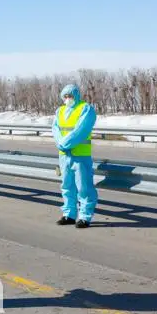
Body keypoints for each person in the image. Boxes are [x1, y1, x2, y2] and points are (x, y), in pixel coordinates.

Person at [52, 83, 98, 228]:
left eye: (70, 96)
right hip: (64, 155)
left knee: (84, 187)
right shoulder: (60, 111)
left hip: (80, 156)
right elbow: (55, 129)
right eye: (65, 96)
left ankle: (85, 216)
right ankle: (69, 214)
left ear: (76, 95)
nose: (68, 98)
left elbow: (81, 130)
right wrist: (60, 143)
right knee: (67, 186)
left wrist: (64, 143)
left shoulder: (86, 109)